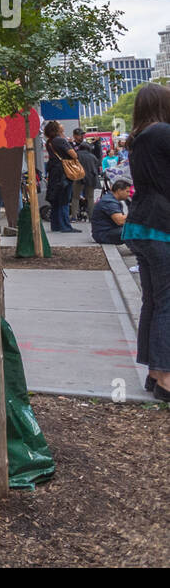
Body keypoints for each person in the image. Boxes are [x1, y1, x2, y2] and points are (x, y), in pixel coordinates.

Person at [121, 83, 170, 401]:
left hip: (140, 225)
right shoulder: (163, 132)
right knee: (166, 303)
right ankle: (165, 376)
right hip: (159, 226)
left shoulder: (138, 138)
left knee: (153, 301)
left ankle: (155, 373)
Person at [43, 120, 79, 233]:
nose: (61, 126)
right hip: (63, 173)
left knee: (56, 200)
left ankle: (56, 225)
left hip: (54, 172)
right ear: (57, 129)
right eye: (59, 125)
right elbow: (74, 155)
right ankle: (65, 226)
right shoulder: (60, 140)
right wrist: (69, 143)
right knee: (64, 199)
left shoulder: (49, 141)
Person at [91, 179, 131, 245]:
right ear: (119, 191)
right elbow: (120, 221)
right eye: (127, 191)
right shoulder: (109, 201)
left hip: (108, 231)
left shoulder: (111, 199)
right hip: (104, 234)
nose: (129, 194)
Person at [76, 141, 101, 221]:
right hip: (91, 178)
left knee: (75, 197)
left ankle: (74, 216)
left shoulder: (76, 155)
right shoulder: (92, 156)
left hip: (78, 178)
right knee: (90, 197)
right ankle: (91, 216)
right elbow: (97, 164)